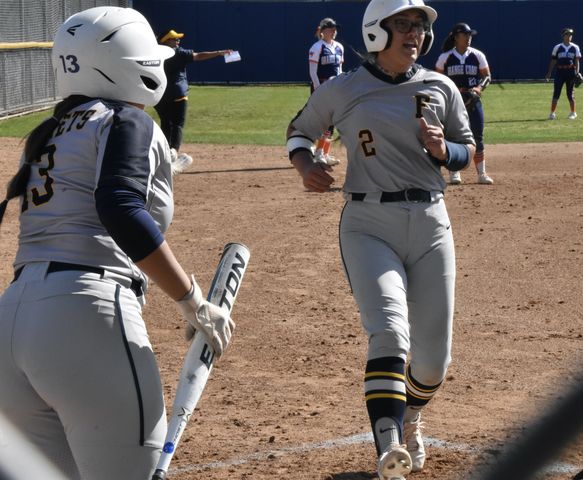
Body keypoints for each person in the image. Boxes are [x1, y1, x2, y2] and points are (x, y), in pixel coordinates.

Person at [0, 7, 234, 480]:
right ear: (129, 62)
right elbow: (121, 207)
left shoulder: (45, 135)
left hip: (12, 322)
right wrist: (193, 301)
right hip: (87, 316)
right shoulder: (126, 120)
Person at [286, 0, 475, 478]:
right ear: (376, 32)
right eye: (402, 25)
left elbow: (466, 152)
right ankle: (389, 446)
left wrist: (443, 149)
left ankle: (412, 415)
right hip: (369, 224)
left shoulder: (442, 86)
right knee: (390, 331)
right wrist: (306, 164)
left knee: (433, 363)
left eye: (418, 26)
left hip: (432, 222)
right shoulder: (343, 89)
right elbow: (299, 132)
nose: (414, 33)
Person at [155, 28, 233, 174]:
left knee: (166, 123)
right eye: (174, 39)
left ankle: (164, 154)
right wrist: (219, 52)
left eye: (178, 39)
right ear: (165, 41)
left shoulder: (154, 52)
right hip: (178, 92)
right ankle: (173, 152)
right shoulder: (177, 53)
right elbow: (198, 56)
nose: (178, 41)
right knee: (177, 124)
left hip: (160, 95)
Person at [436, 22, 493, 185]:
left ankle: (481, 174)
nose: (468, 38)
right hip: (453, 102)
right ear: (456, 37)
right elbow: (438, 81)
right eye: (465, 35)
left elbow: (487, 77)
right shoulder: (445, 57)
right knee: (452, 136)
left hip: (473, 100)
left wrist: (478, 89)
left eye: (470, 35)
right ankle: (454, 173)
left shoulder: (477, 55)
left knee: (477, 135)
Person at [545, 27, 581, 120]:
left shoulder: (575, 47)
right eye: (567, 34)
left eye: (571, 34)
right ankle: (552, 113)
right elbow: (553, 60)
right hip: (560, 72)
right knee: (556, 92)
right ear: (563, 36)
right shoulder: (557, 47)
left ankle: (573, 113)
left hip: (570, 72)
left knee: (570, 93)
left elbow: (577, 61)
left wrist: (577, 72)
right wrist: (549, 73)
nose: (569, 36)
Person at [308, 17, 345, 93]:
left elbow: (339, 69)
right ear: (323, 31)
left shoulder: (340, 47)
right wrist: (318, 89)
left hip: (336, 86)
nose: (334, 32)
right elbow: (313, 72)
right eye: (331, 30)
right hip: (322, 86)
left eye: (335, 29)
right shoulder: (316, 47)